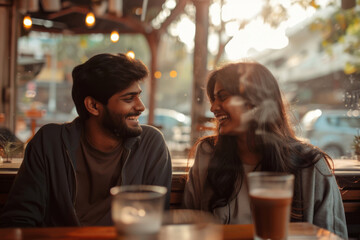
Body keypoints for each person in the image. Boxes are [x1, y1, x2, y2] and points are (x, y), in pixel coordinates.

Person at [0, 53, 172, 227]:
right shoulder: (49, 143)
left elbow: (155, 223)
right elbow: (19, 221)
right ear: (93, 106)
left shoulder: (151, 145)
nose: (141, 106)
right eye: (128, 98)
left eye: (139, 96)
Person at [183, 62, 348, 239]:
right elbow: (189, 225)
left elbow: (332, 235)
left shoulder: (310, 166)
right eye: (213, 99)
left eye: (222, 97)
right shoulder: (207, 154)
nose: (213, 108)